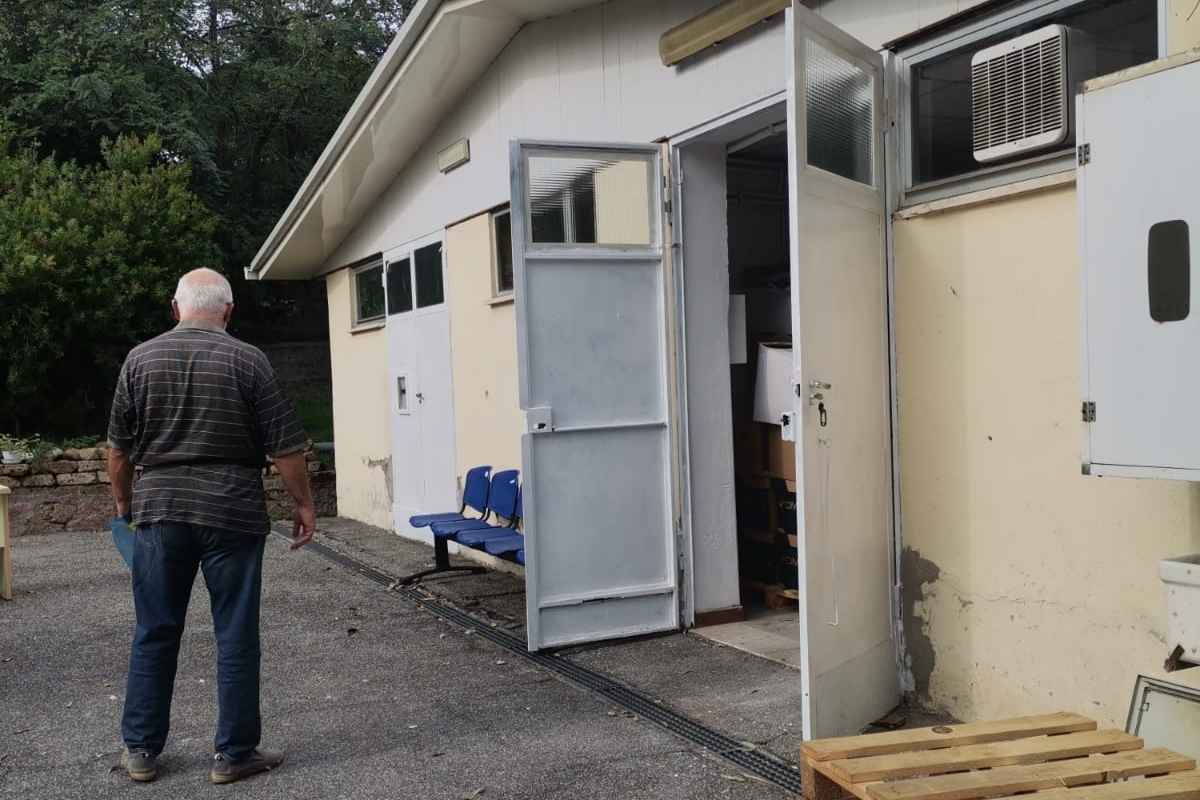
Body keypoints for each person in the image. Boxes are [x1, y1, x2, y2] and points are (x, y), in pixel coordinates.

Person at [106, 268, 316, 784]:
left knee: (154, 630)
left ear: (175, 309)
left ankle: (141, 751)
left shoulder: (140, 359)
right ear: (228, 311)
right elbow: (286, 446)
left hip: (160, 511)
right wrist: (304, 504)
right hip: (233, 510)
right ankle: (234, 754)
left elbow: (118, 450)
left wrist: (123, 504)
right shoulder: (249, 360)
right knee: (236, 634)